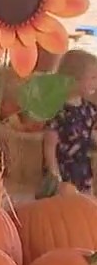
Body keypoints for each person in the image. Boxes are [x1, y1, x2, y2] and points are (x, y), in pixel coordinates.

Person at [43, 49, 97, 194]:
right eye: (92, 78)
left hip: (84, 171)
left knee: (85, 207)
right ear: (74, 79)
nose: (96, 83)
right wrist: (55, 175)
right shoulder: (57, 111)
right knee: (64, 207)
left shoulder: (90, 109)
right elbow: (49, 146)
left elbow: (88, 135)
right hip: (63, 172)